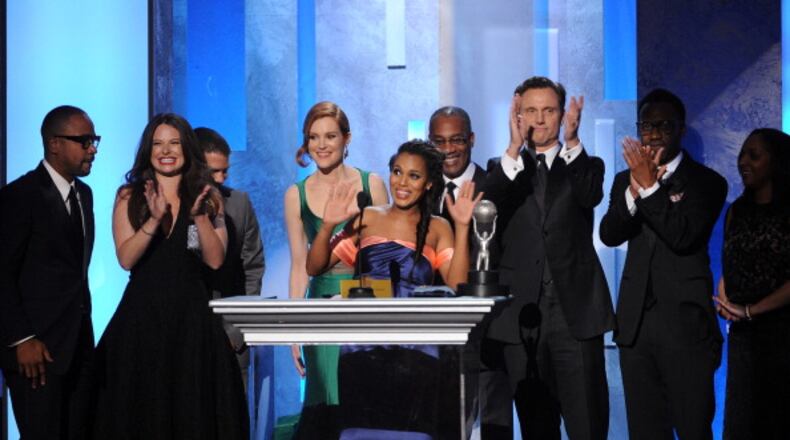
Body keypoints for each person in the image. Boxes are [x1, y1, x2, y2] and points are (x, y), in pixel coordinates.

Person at [306, 140, 481, 437]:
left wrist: (463, 227)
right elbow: (315, 266)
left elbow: (456, 283)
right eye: (397, 171)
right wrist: (327, 227)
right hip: (361, 346)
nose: (402, 182)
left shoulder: (438, 227)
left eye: (414, 176)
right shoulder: (368, 218)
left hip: (417, 348)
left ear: (428, 184)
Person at [92, 113, 248, 439]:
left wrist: (199, 218)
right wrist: (154, 219)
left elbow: (216, 261)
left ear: (187, 148)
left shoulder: (208, 196)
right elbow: (126, 257)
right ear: (148, 150)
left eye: (174, 143)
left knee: (193, 411)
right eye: (158, 143)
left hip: (192, 323)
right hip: (141, 321)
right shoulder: (128, 196)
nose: (166, 150)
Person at [483, 76, 614, 439]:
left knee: (587, 423)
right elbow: (484, 207)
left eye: (549, 111)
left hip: (575, 314)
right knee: (536, 428)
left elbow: (590, 196)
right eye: (530, 111)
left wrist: (573, 142)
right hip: (522, 317)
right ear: (517, 114)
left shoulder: (585, 164)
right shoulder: (502, 168)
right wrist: (513, 148)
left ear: (562, 115)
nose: (540, 120)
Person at [600, 88, 727, 439]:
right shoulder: (623, 181)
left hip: (685, 327)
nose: (653, 134)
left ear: (681, 129)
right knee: (645, 431)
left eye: (664, 126)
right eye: (646, 126)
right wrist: (635, 188)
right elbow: (610, 233)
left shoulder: (707, 183)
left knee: (692, 427)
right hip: (636, 327)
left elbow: (682, 236)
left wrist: (650, 188)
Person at [283, 101, 388, 437]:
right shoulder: (295, 194)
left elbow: (384, 257)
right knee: (324, 401)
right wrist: (294, 327)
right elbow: (300, 266)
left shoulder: (372, 184)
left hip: (365, 302)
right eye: (314, 137)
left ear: (347, 138)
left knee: (366, 401)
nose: (322, 145)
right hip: (320, 310)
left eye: (330, 136)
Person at [0, 105, 98, 439]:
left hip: (79, 349)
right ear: (55, 144)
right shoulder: (19, 196)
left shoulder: (84, 195)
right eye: (83, 141)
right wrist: (22, 338)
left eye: (94, 140)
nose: (92, 149)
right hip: (35, 354)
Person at [713, 128, 790, 439]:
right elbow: (729, 263)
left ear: (777, 162)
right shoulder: (737, 211)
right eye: (743, 154)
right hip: (745, 339)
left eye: (754, 155)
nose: (744, 161)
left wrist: (751, 310)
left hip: (783, 335)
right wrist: (725, 299)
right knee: (742, 423)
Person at [195, 126, 265, 391]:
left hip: (231, 335)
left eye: (225, 171)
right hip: (185, 331)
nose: (222, 178)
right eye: (214, 171)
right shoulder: (174, 207)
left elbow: (253, 267)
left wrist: (238, 331)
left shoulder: (239, 203)